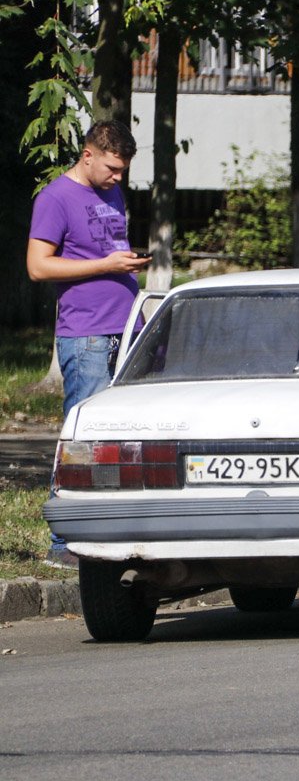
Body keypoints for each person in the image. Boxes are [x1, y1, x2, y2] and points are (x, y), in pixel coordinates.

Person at [27, 120, 149, 567]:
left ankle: (112, 533)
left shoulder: (111, 192)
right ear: (88, 155)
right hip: (87, 335)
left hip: (127, 327)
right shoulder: (55, 198)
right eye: (112, 168)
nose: (118, 178)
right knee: (82, 439)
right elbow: (38, 268)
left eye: (122, 171)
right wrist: (105, 265)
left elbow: (106, 250)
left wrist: (126, 268)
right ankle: (64, 544)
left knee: (124, 437)